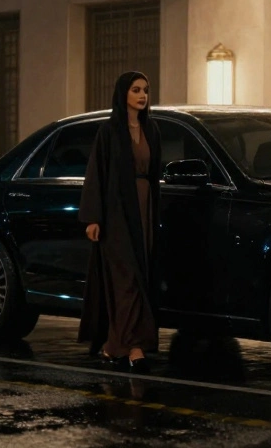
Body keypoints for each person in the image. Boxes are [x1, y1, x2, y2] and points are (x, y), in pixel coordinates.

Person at [78, 71, 161, 373]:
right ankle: (135, 346)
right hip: (116, 214)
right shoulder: (109, 132)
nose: (142, 95)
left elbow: (154, 175)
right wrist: (93, 218)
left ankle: (115, 345)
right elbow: (96, 175)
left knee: (141, 276)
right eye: (136, 90)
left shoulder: (151, 129)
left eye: (145, 90)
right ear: (123, 93)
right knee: (126, 279)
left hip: (144, 210)